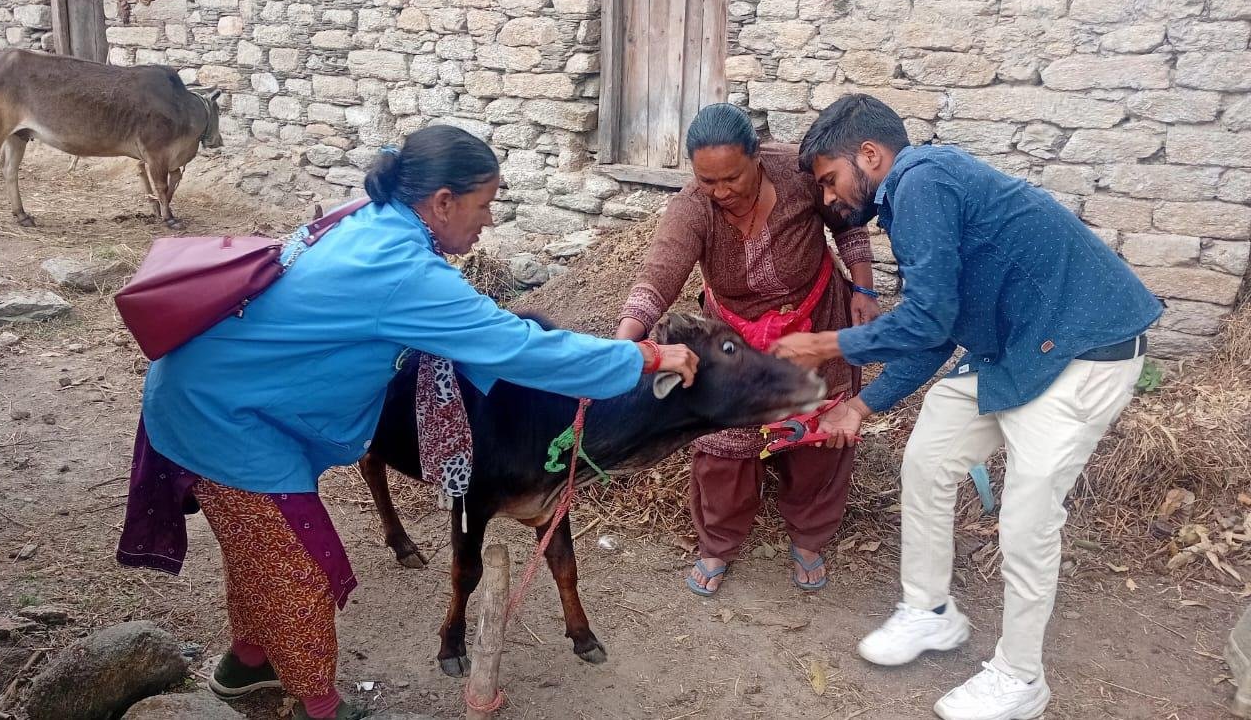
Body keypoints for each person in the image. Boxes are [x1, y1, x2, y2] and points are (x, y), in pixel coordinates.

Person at [116, 125, 699, 720]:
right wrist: (642, 358)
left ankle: (246, 664)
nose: (489, 220)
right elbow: (518, 346)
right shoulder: (405, 273)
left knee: (261, 553)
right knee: (299, 571)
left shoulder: (375, 219)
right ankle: (321, 708)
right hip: (222, 416)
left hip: (223, 389)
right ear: (443, 202)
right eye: (484, 205)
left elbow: (483, 343)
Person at [770, 94, 1162, 720]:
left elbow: (927, 321)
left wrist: (828, 343)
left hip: (1084, 351)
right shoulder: (915, 198)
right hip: (1014, 349)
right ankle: (929, 611)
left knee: (1028, 520)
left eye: (830, 179)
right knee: (928, 461)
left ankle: (1020, 678)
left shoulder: (921, 180)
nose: (829, 197)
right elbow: (935, 329)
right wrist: (860, 406)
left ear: (869, 155)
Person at [614, 103, 879, 597]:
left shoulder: (799, 173)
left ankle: (809, 536)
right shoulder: (694, 207)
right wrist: (622, 345)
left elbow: (847, 223)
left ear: (757, 157)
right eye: (707, 181)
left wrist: (864, 289)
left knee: (819, 436)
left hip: (815, 324)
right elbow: (658, 276)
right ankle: (718, 542)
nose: (721, 192)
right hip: (734, 342)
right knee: (724, 447)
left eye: (732, 178)